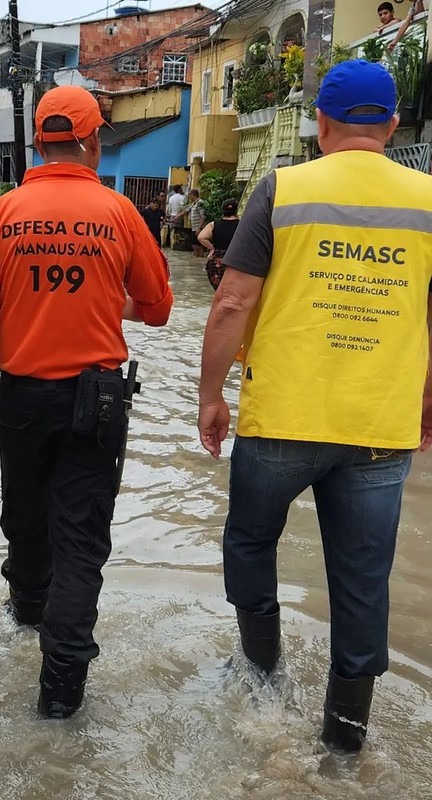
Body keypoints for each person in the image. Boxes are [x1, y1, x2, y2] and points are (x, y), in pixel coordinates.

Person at [197, 60, 432, 755]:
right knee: (363, 582)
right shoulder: (428, 200)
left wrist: (210, 395)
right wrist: (427, 401)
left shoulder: (283, 188)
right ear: (392, 124)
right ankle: (345, 742)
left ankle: (262, 682)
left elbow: (233, 302)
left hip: (282, 418)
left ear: (321, 124)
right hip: (379, 426)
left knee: (249, 542)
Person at [0, 85, 174, 719]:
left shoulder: (2, 215)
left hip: (19, 400)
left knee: (25, 521)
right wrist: (104, 301)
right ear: (94, 141)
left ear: (39, 145)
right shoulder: (120, 213)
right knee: (80, 543)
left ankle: (24, 616)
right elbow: (157, 308)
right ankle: (60, 696)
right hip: (97, 405)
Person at [197, 197, 240, 290]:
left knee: (219, 290)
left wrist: (212, 248)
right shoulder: (242, 225)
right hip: (235, 259)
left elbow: (201, 237)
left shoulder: (214, 224)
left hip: (218, 260)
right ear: (236, 210)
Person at [179, 188, 206, 257]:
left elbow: (203, 216)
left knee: (199, 245)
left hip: (198, 228)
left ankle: (200, 259)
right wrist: (177, 216)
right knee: (194, 245)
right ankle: (196, 259)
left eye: (189, 196)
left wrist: (199, 227)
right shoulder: (194, 204)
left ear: (193, 195)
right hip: (194, 228)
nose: (189, 198)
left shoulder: (200, 203)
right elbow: (187, 210)